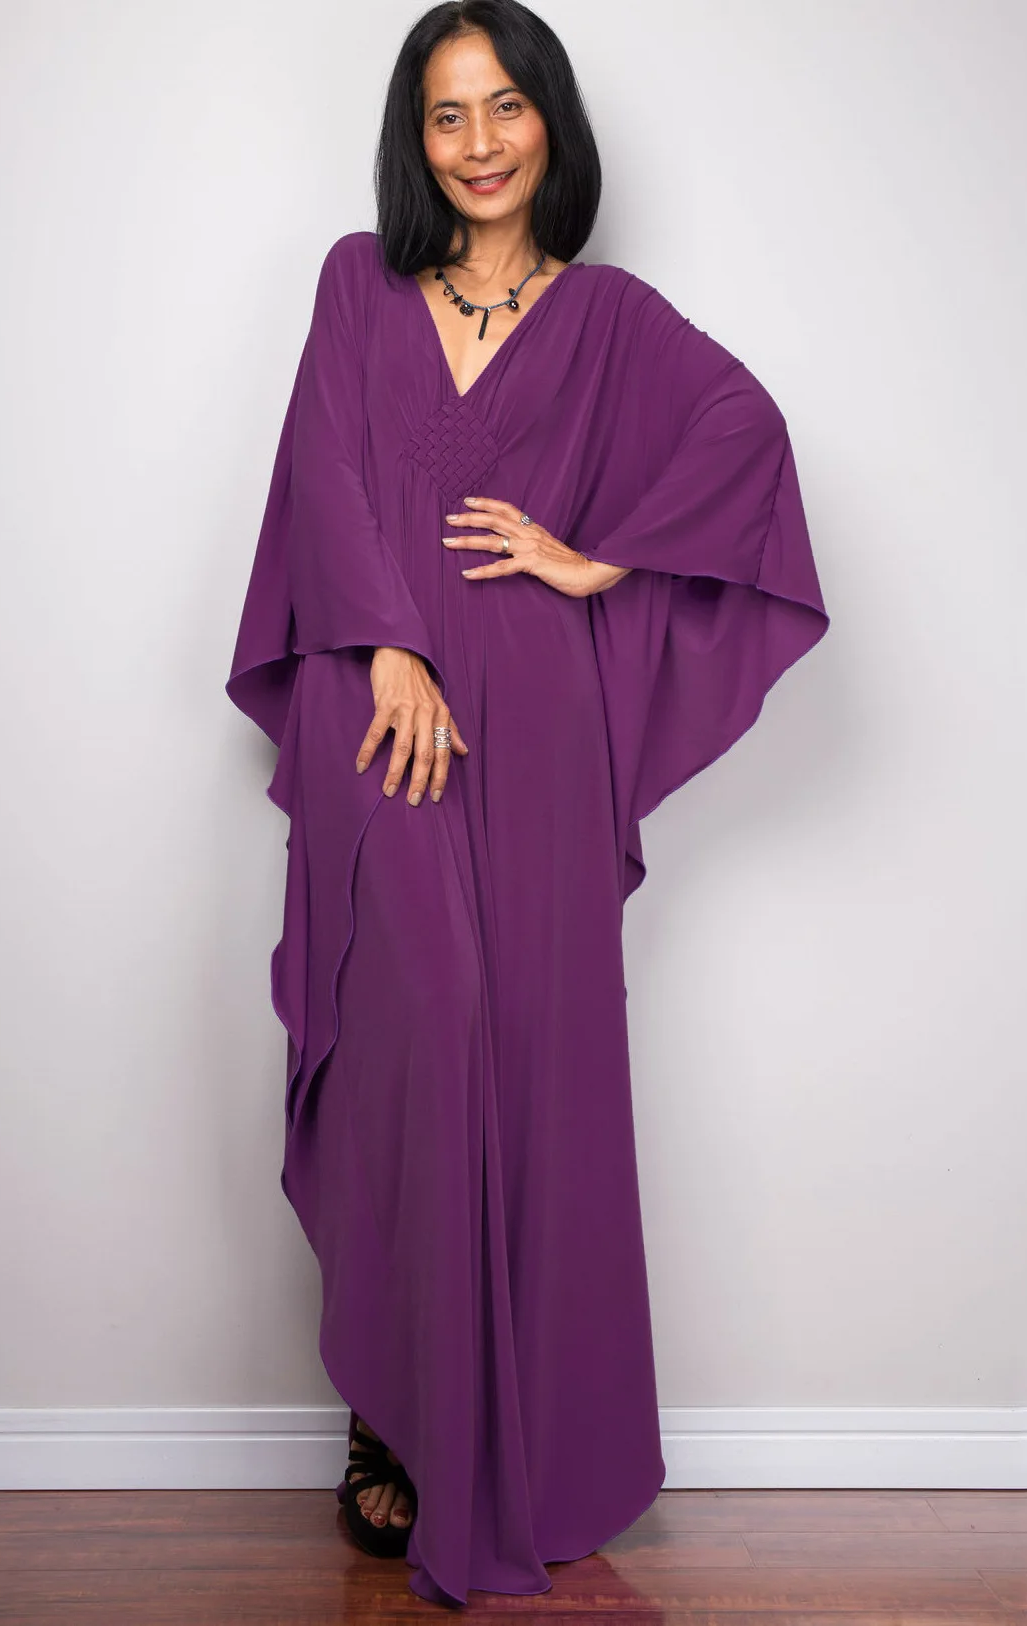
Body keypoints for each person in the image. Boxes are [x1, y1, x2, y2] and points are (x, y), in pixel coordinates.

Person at [225, 0, 830, 1607]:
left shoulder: (611, 317)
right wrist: (391, 646)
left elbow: (749, 433)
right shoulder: (356, 283)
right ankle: (396, 1402)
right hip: (384, 712)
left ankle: (523, 1436)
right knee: (416, 1032)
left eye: (505, 105)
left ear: (549, 120)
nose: (478, 141)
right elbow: (322, 480)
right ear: (411, 139)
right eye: (446, 114)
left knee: (534, 1055)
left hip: (542, 727)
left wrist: (597, 557)